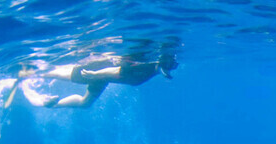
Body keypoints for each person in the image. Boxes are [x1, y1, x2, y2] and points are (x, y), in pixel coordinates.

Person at [17, 40, 179, 109]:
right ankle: (29, 74)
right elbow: (116, 72)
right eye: (172, 63)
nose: (174, 64)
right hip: (99, 71)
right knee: (58, 74)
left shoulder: (145, 71)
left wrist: (96, 75)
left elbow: (117, 73)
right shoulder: (144, 72)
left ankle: (49, 102)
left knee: (84, 103)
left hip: (100, 73)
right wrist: (94, 74)